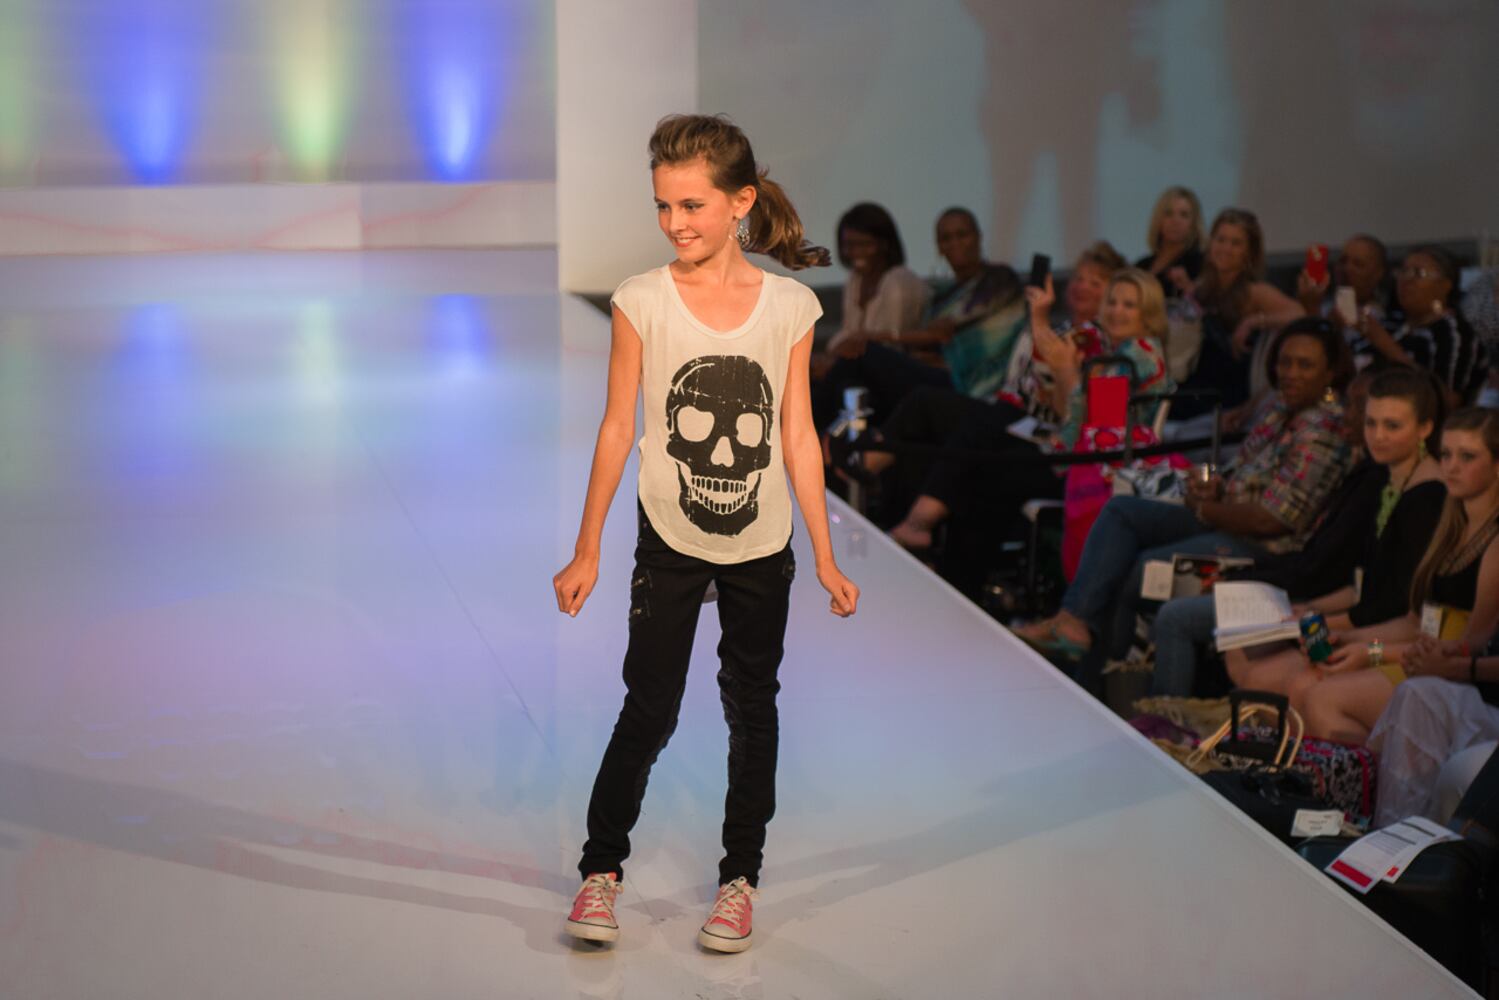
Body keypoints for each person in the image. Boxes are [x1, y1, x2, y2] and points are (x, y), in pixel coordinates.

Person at [553, 114, 860, 953]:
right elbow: (618, 427)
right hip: (669, 538)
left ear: (740, 202)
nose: (674, 222)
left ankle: (738, 882)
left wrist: (825, 556)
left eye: (690, 205)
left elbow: (796, 435)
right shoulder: (640, 300)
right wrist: (587, 548)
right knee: (649, 706)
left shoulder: (790, 307)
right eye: (663, 205)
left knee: (750, 708)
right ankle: (600, 871)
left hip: (762, 544)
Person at [1014, 317, 1355, 663]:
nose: (1291, 373)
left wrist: (1205, 508)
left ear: (1330, 373)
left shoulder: (1322, 430)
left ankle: (1101, 674)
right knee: (1120, 510)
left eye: (1305, 365)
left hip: (1263, 547)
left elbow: (1273, 520)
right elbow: (1243, 472)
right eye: (1285, 362)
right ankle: (1074, 621)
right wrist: (1212, 485)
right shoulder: (1281, 408)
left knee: (1133, 568)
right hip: (1222, 516)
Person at [1152, 369, 1443, 696]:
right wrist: (1311, 613)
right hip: (1361, 624)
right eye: (1371, 423)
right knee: (1239, 653)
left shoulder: (1425, 499)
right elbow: (1365, 586)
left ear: (1425, 428)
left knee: (1261, 671)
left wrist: (1329, 627)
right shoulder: (1389, 479)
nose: (1378, 435)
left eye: (1392, 426)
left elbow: (1399, 610)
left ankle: (1168, 716)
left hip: (1391, 641)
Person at [883, 264, 1171, 564]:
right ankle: (941, 558)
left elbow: (1100, 431)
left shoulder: (1136, 357)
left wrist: (1067, 372)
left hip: (1094, 475)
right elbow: (1070, 415)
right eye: (1112, 302)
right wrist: (1058, 358)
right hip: (1072, 457)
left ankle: (945, 561)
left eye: (1129, 305)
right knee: (981, 445)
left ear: (1148, 313)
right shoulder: (1115, 350)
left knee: (986, 466)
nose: (1116, 311)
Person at [1250, 408, 1499, 743]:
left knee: (1321, 697)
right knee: (1305, 681)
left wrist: (1373, 652)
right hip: (1418, 655)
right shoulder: (1450, 529)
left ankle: (1371, 775)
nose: (1451, 467)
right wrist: (1350, 641)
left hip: (1453, 678)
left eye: (1467, 457)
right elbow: (1413, 622)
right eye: (1446, 455)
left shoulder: (1493, 542)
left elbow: (1469, 647)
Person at [811, 207, 1022, 431]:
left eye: (962, 235)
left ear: (978, 237)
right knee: (848, 383)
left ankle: (804, 437)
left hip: (977, 385)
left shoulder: (999, 280)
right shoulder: (942, 297)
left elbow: (942, 332)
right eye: (946, 238)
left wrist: (871, 338)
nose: (955, 244)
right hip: (940, 375)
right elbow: (928, 345)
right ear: (939, 247)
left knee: (863, 355)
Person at [1170, 208, 1304, 422]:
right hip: (1193, 386)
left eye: (1236, 243)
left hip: (1223, 398)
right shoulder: (1203, 285)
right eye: (1221, 240)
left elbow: (1300, 316)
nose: (1226, 248)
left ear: (1249, 252)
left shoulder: (1256, 292)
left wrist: (1253, 321)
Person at [810, 203, 933, 428]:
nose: (855, 253)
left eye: (864, 245)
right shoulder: (856, 280)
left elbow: (884, 348)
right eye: (849, 245)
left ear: (884, 244)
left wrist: (834, 360)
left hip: (898, 375)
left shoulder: (898, 282)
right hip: (861, 369)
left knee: (839, 382)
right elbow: (849, 335)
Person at [1350, 246, 1489, 407]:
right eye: (1403, 271)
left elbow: (1448, 401)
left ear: (1445, 285)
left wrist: (1388, 347)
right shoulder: (1391, 322)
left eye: (1419, 273)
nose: (1406, 280)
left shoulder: (1454, 334)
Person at [1295, 233, 1394, 339]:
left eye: (1358, 264)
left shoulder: (1382, 319)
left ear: (1378, 273)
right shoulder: (1323, 306)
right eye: (1342, 261)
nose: (1347, 269)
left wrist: (1313, 312)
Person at [1135, 185, 1205, 300]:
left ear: (1194, 223)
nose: (1175, 221)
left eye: (1184, 215)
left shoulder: (1200, 264)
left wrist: (1189, 288)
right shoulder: (1141, 266)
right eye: (1168, 213)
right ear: (1159, 219)